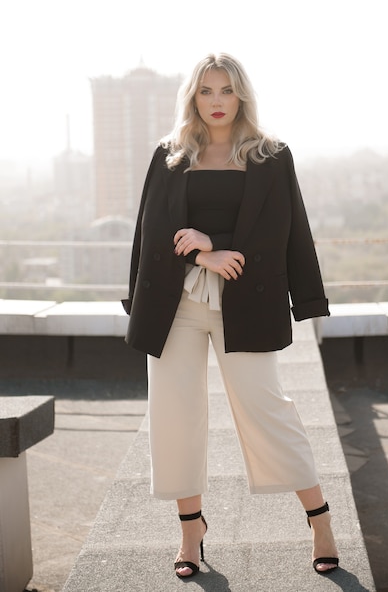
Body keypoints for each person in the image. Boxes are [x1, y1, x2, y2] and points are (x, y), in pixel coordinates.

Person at [122, 52, 339, 579]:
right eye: (205, 91)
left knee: (267, 408)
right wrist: (201, 254)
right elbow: (151, 232)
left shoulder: (270, 155)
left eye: (225, 90)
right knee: (175, 415)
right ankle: (190, 530)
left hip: (246, 300)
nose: (216, 102)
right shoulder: (170, 155)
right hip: (177, 304)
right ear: (192, 97)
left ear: (241, 94)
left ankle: (321, 520)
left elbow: (288, 233)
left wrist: (306, 300)